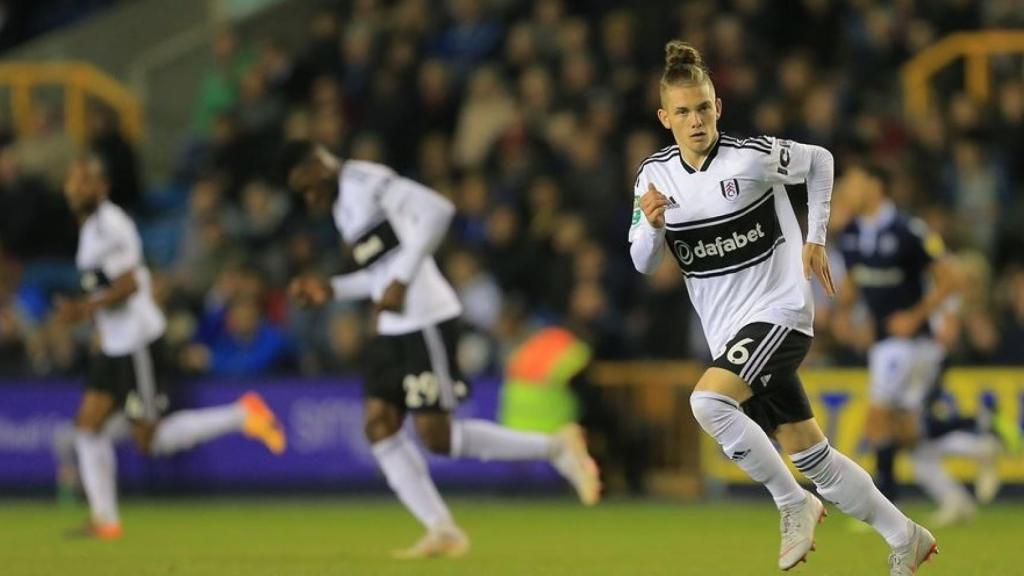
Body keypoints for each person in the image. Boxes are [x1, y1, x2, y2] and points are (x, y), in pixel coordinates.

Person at [628, 41, 936, 575]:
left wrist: (815, 238)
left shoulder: (750, 157)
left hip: (780, 311)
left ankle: (793, 503)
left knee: (708, 403)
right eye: (683, 112)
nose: (696, 120)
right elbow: (640, 261)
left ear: (717, 106)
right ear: (665, 118)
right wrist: (653, 225)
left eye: (703, 107)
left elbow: (820, 161)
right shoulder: (654, 178)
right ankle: (904, 536)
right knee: (811, 454)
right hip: (731, 334)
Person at [280, 140, 600, 559]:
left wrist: (403, 280)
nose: (308, 197)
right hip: (393, 325)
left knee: (437, 437)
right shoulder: (343, 206)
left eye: (307, 185)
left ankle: (555, 447)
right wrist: (333, 288)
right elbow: (381, 274)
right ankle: (441, 528)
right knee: (379, 425)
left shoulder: (367, 181)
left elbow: (438, 210)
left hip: (424, 319)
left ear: (319, 164)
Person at [57, 155, 286, 540]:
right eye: (74, 179)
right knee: (88, 425)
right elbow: (107, 284)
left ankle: (241, 414)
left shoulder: (112, 224)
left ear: (103, 188)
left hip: (139, 344)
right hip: (115, 345)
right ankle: (105, 520)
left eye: (87, 179)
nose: (78, 186)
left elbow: (129, 284)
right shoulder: (89, 229)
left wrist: (86, 309)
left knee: (150, 440)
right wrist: (98, 323)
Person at [832, 163, 1009, 526]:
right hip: (884, 341)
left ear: (876, 186)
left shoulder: (907, 230)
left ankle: (881, 507)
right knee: (909, 434)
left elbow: (952, 277)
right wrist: (845, 314)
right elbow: (854, 282)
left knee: (877, 418)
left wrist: (916, 316)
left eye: (853, 182)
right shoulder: (849, 233)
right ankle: (980, 444)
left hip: (910, 343)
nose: (846, 190)